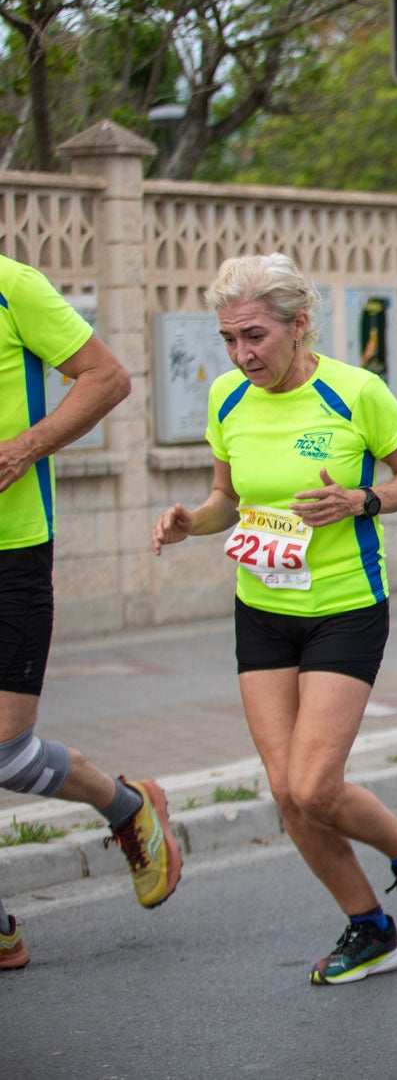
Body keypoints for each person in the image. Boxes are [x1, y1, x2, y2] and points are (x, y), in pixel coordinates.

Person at [151, 253, 397, 985]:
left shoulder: (355, 391)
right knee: (286, 790)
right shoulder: (227, 398)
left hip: (344, 606)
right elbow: (228, 497)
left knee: (317, 784)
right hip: (261, 605)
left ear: (298, 325)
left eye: (255, 335)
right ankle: (370, 926)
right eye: (229, 338)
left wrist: (362, 500)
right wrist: (193, 519)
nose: (241, 353)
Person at [0, 254, 180, 970]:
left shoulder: (13, 285)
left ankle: (127, 804)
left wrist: (26, 446)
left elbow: (106, 376)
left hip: (11, 551)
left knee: (7, 752)